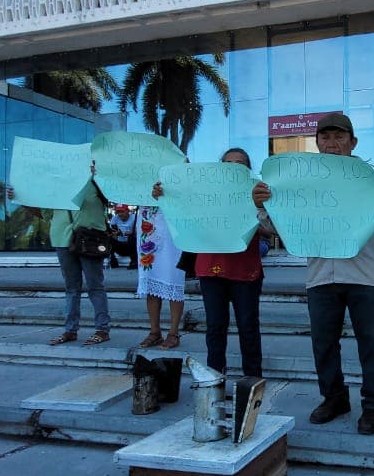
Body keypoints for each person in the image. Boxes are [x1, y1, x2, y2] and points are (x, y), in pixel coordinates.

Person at [252, 113, 374, 435]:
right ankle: (334, 397)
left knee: (372, 344)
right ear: (317, 143)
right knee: (323, 344)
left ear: (353, 142)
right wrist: (262, 206)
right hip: (320, 277)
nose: (332, 143)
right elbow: (276, 228)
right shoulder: (301, 183)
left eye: (339, 137)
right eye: (325, 137)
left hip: (365, 276)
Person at [155, 148, 270, 376]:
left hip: (245, 269)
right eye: (228, 163)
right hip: (210, 268)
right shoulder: (202, 193)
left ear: (248, 170)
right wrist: (164, 194)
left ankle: (253, 378)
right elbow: (179, 206)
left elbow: (269, 230)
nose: (233, 167)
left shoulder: (259, 193)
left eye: (240, 163)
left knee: (248, 327)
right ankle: (215, 377)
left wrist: (260, 207)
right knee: (215, 327)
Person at [8, 166, 111, 346]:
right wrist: (21, 199)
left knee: (95, 285)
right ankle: (70, 330)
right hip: (62, 239)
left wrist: (98, 175)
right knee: (72, 287)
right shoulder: (56, 188)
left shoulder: (96, 183)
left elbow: (113, 197)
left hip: (90, 240)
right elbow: (45, 214)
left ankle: (102, 329)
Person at [134, 202, 185, 350]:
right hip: (147, 217)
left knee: (173, 277)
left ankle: (173, 332)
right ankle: (155, 331)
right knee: (149, 275)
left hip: (171, 219)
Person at [109, 204, 138, 269]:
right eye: (118, 212)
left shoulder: (134, 217)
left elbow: (138, 231)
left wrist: (126, 233)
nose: (120, 214)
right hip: (120, 244)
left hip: (132, 245)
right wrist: (114, 233)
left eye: (122, 211)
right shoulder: (115, 218)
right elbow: (112, 231)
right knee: (109, 239)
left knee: (132, 238)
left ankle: (134, 261)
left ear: (127, 211)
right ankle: (113, 260)